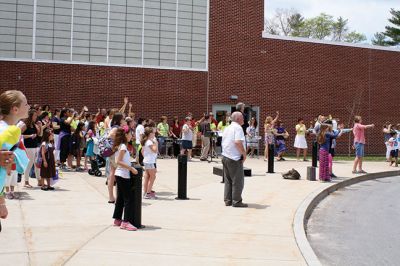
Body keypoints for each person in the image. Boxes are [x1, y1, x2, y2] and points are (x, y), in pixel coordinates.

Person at [0, 90, 30, 224]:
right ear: (15, 109)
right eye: (26, 104)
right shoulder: (9, 131)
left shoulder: (9, 129)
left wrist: (1, 203)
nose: (29, 107)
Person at [112, 126, 138, 231]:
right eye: (131, 134)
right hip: (123, 174)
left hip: (120, 174)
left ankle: (117, 219)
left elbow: (122, 160)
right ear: (126, 135)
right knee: (128, 199)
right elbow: (118, 161)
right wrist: (131, 168)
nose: (132, 136)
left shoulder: (121, 146)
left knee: (121, 198)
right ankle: (125, 222)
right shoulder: (123, 146)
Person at [221, 112, 247, 208]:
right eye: (242, 117)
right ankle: (237, 201)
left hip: (225, 156)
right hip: (234, 158)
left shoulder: (228, 128)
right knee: (238, 181)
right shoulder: (238, 128)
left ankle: (228, 200)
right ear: (238, 119)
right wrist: (244, 154)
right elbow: (237, 142)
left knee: (228, 180)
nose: (244, 119)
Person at [20, 109, 41, 187]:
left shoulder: (34, 124)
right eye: (35, 115)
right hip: (28, 147)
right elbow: (19, 135)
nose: (36, 117)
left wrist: (40, 126)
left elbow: (39, 134)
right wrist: (30, 136)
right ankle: (26, 182)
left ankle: (39, 181)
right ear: (30, 116)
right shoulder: (25, 125)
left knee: (37, 163)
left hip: (35, 146)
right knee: (29, 163)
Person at [141, 127, 158, 199]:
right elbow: (154, 150)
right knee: (153, 177)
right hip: (150, 161)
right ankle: (148, 193)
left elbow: (142, 152)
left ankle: (145, 192)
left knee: (147, 177)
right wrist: (156, 143)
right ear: (150, 134)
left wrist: (146, 156)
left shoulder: (146, 141)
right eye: (154, 133)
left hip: (147, 161)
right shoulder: (149, 142)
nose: (155, 134)